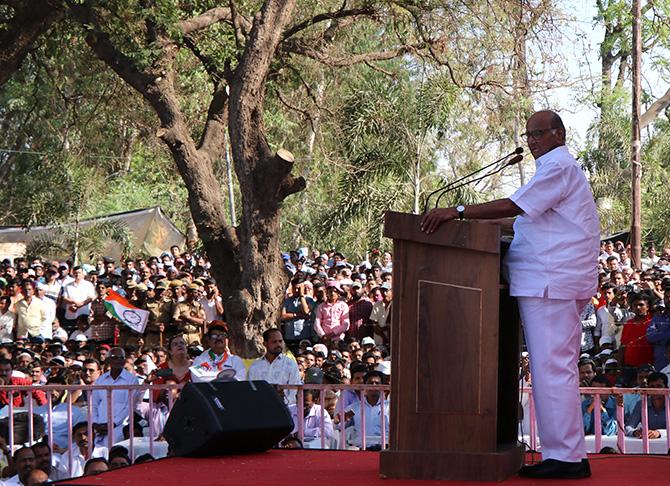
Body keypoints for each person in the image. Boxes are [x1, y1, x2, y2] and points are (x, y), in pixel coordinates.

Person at [421, 110, 598, 478]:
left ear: (559, 134)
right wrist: (465, 219)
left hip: (550, 282)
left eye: (538, 133)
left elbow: (515, 205)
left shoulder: (557, 166)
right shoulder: (555, 170)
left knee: (552, 370)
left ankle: (564, 458)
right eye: (528, 134)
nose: (531, 140)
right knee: (555, 368)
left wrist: (457, 211)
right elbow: (519, 218)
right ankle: (569, 454)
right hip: (554, 282)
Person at [90, 348, 140, 445]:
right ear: (108, 360)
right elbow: (94, 404)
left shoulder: (132, 380)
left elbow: (129, 406)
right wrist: (95, 422)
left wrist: (113, 423)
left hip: (121, 426)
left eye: (121, 358)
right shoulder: (101, 380)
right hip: (100, 426)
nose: (119, 360)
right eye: (115, 357)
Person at [248, 328, 302, 403]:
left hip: (285, 409)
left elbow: (295, 389)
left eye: (280, 341)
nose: (278, 345)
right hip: (261, 408)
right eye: (274, 342)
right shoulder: (256, 366)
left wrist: (286, 406)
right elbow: (252, 389)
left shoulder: (290, 364)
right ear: (265, 344)